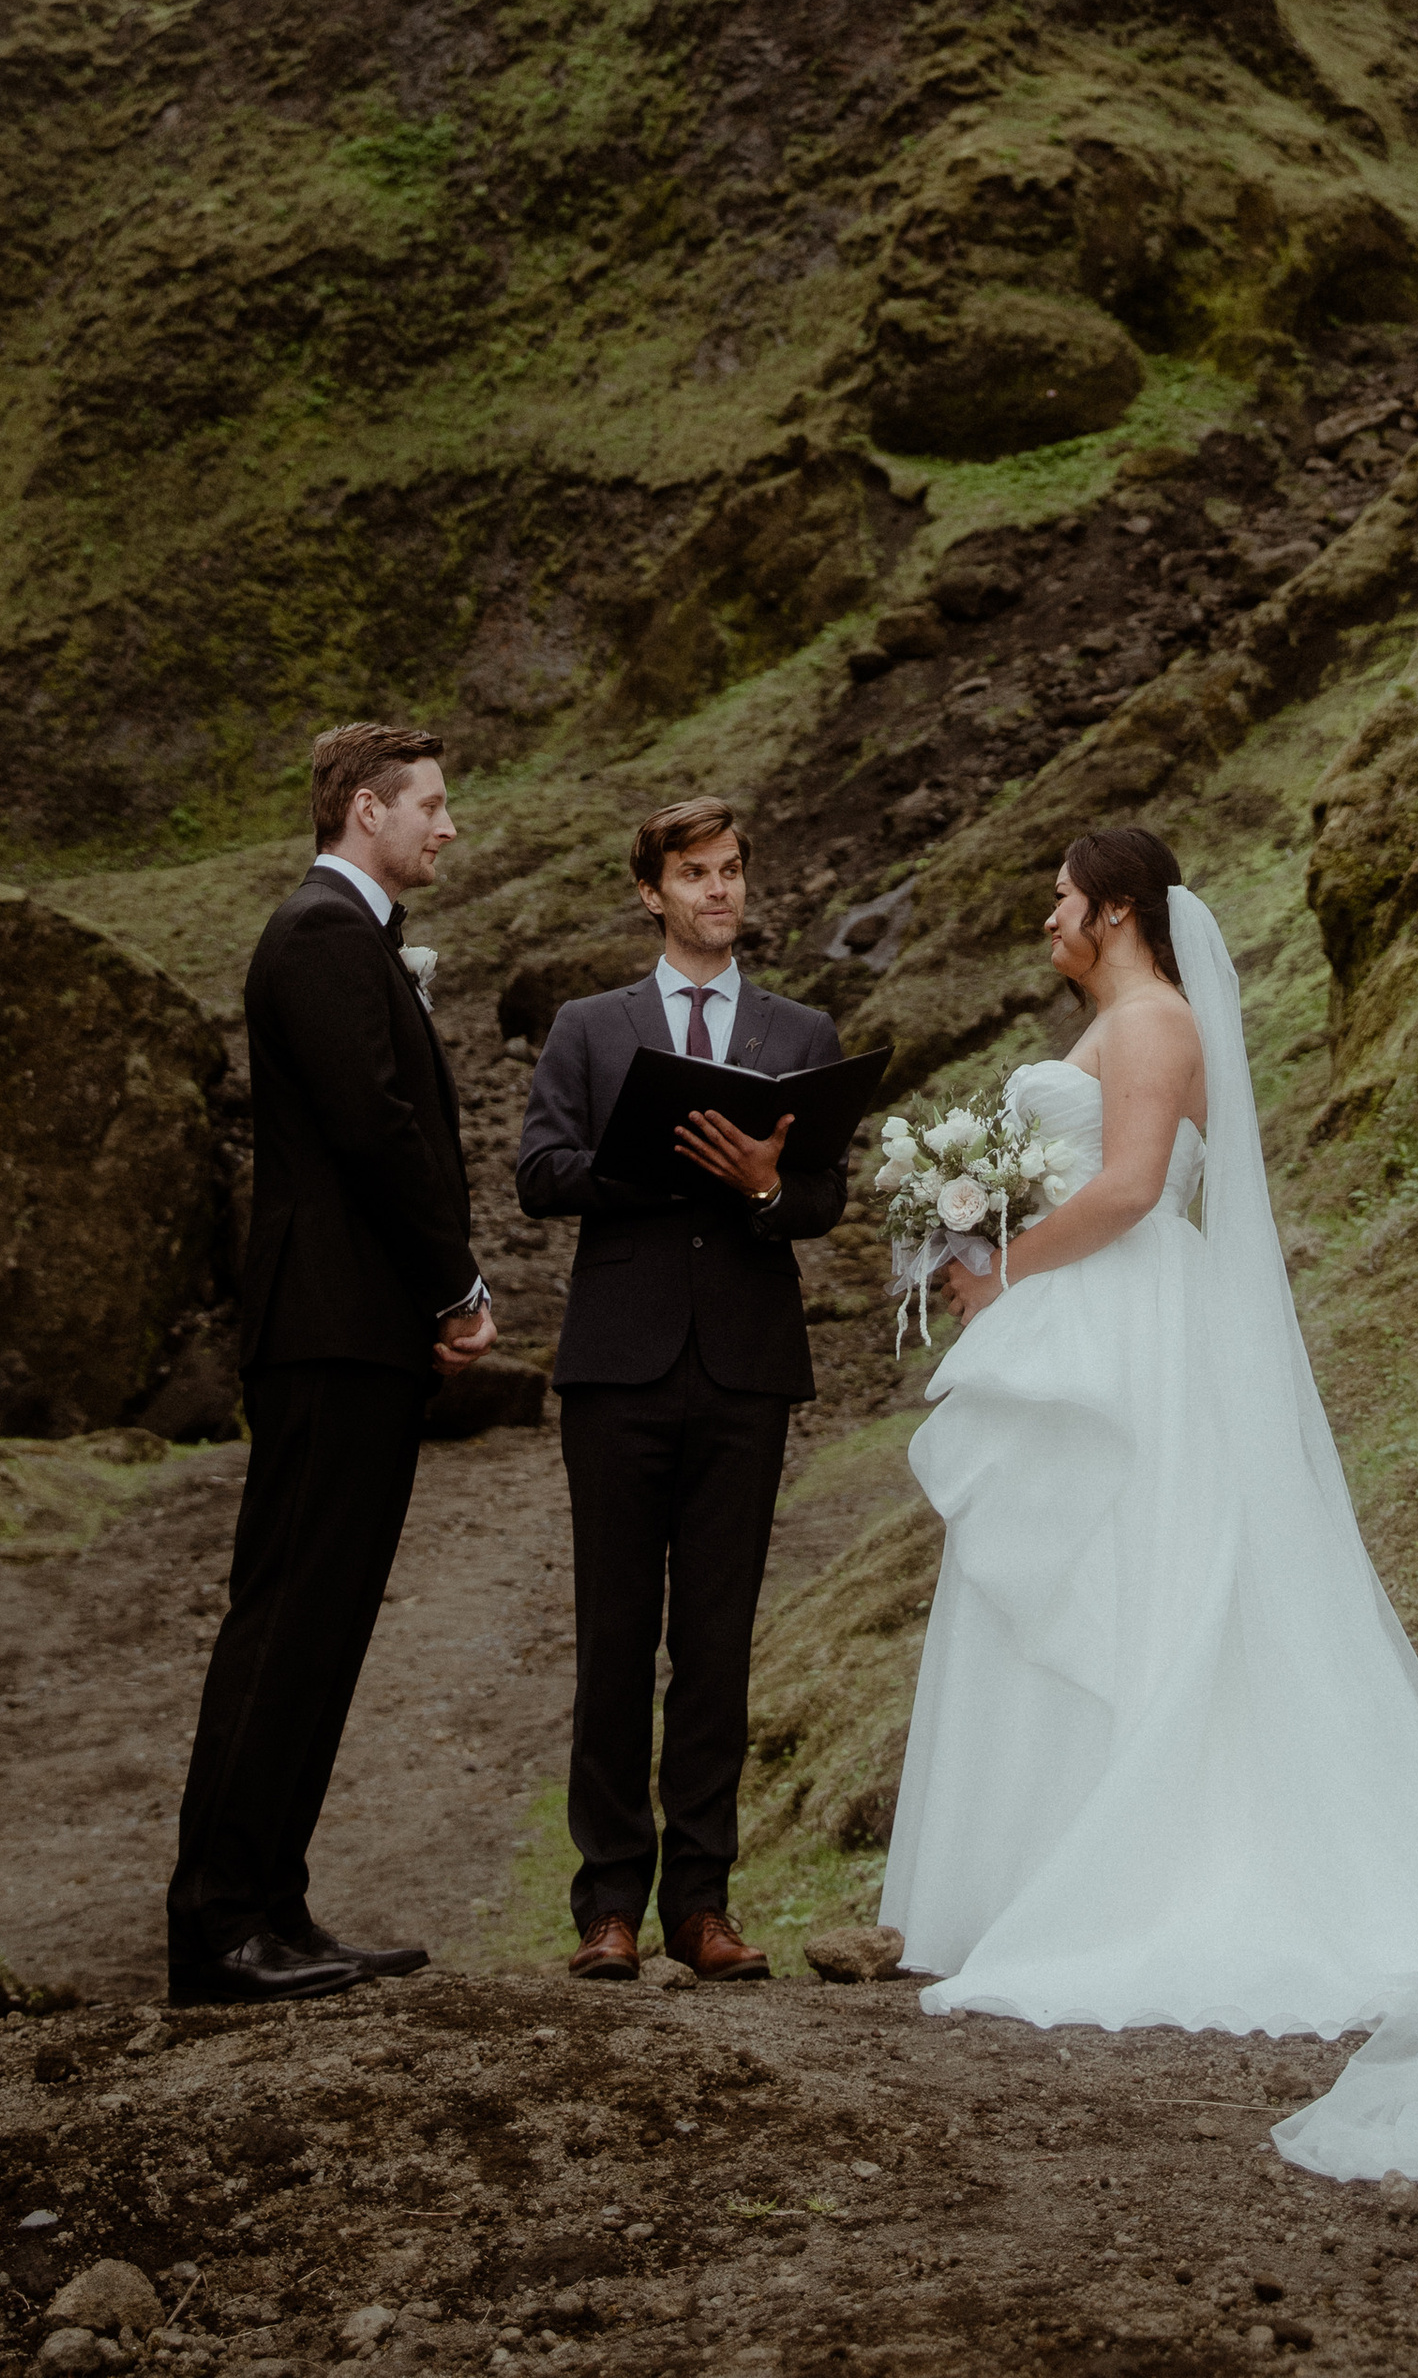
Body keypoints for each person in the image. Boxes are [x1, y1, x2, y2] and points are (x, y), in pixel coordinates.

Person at [880, 823, 1418, 2187]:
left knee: (1131, 1567)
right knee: (1071, 1565)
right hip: (1086, 1323)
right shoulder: (1116, 1020)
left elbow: (1123, 1187)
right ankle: (1029, 1879)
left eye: (1061, 899)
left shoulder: (1157, 1020)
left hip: (1125, 1326)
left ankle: (1134, 1871)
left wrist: (998, 1261)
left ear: (1113, 910)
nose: (1047, 920)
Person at [166, 721, 496, 2005]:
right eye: (431, 805)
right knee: (289, 1618)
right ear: (367, 809)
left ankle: (275, 1907)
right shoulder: (315, 935)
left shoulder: (349, 939)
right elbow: (374, 1128)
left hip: (354, 1331)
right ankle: (219, 1925)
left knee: (325, 1625)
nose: (447, 826)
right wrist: (455, 1286)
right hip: (326, 1327)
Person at [516, 797, 847, 1985]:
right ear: (650, 892)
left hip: (746, 1371)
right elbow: (538, 1175)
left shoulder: (798, 1028)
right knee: (614, 1638)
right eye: (694, 875)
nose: (720, 891)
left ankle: (699, 1907)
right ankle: (606, 1904)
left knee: (716, 1646)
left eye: (732, 871)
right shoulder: (589, 1029)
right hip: (617, 1368)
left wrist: (764, 1184)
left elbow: (822, 1197)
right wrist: (655, 1167)